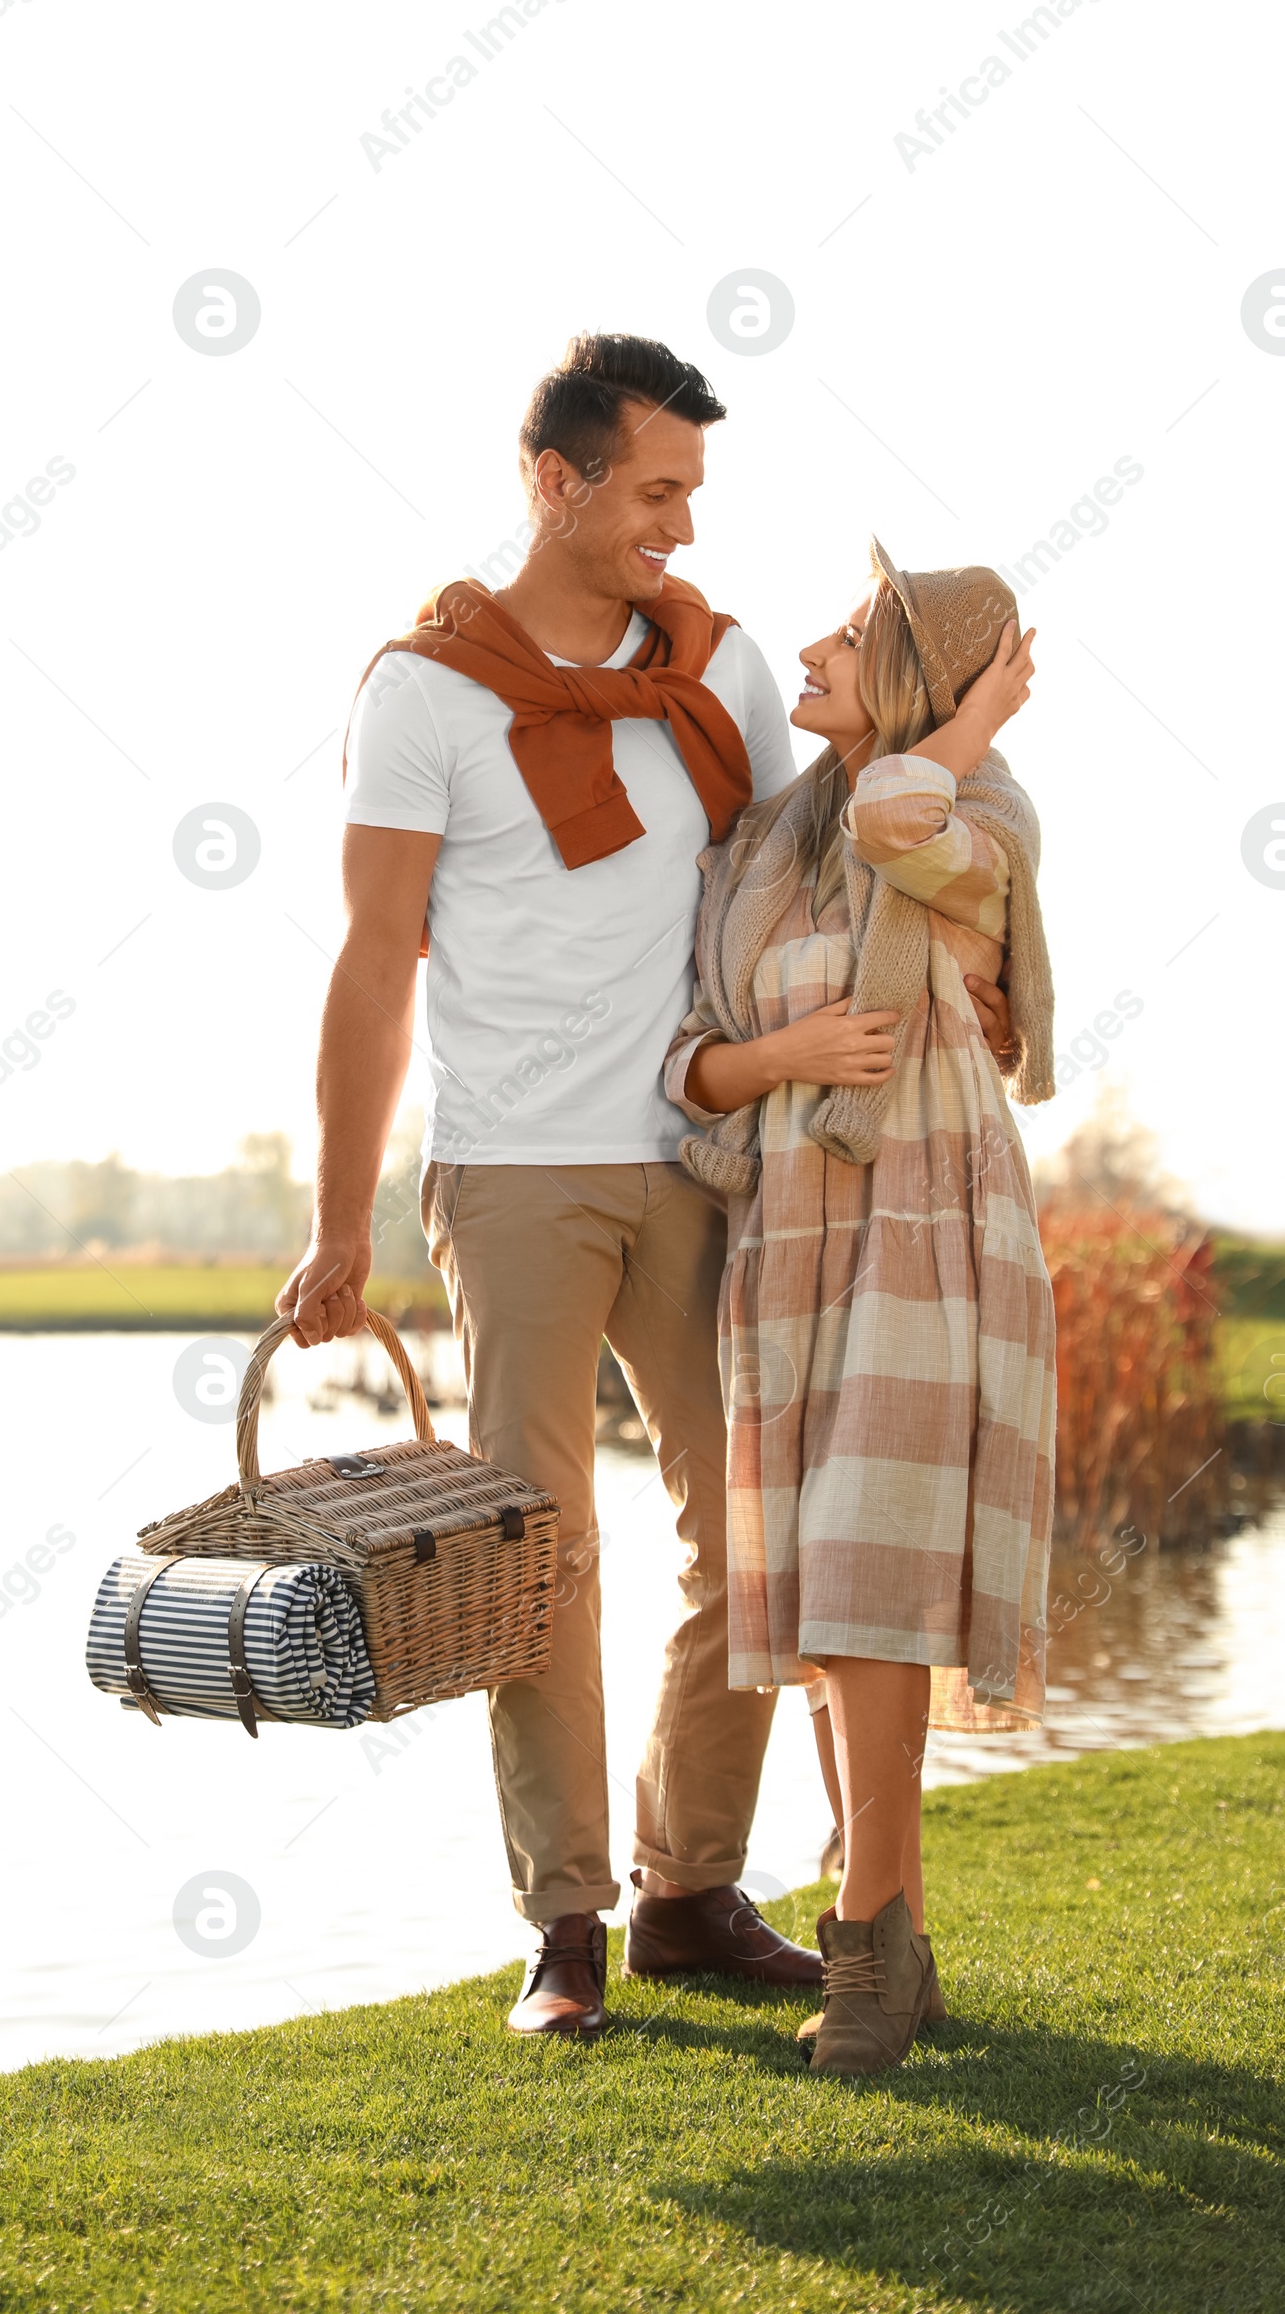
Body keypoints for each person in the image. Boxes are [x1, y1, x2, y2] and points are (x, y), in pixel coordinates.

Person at [279, 335, 1010, 2040]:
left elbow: (850, 831)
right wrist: (339, 1221)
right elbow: (375, 960)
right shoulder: (423, 694)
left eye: (693, 491)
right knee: (536, 1548)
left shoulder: (726, 670)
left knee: (746, 1535)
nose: (682, 525)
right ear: (560, 481)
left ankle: (689, 1886)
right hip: (516, 1172)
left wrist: (970, 947)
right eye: (657, 490)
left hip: (711, 1153)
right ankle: (564, 1928)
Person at [665, 540, 1055, 2075]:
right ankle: (898, 1939)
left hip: (926, 1217)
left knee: (869, 1574)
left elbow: (910, 819)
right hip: (789, 1231)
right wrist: (785, 1057)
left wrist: (963, 728)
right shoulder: (761, 847)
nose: (809, 648)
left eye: (851, 635)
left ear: (919, 679)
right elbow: (690, 1058)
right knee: (834, 1606)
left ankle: (865, 1943)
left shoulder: (976, 811)